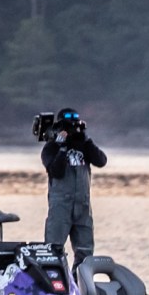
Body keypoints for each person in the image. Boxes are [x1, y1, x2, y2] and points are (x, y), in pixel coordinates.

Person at [41, 107, 107, 269]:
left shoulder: (83, 146)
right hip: (60, 205)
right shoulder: (51, 148)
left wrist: (86, 140)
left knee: (85, 252)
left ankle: (78, 281)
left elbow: (101, 161)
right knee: (53, 249)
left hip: (82, 206)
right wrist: (62, 147)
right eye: (68, 126)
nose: (72, 129)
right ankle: (55, 280)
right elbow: (56, 171)